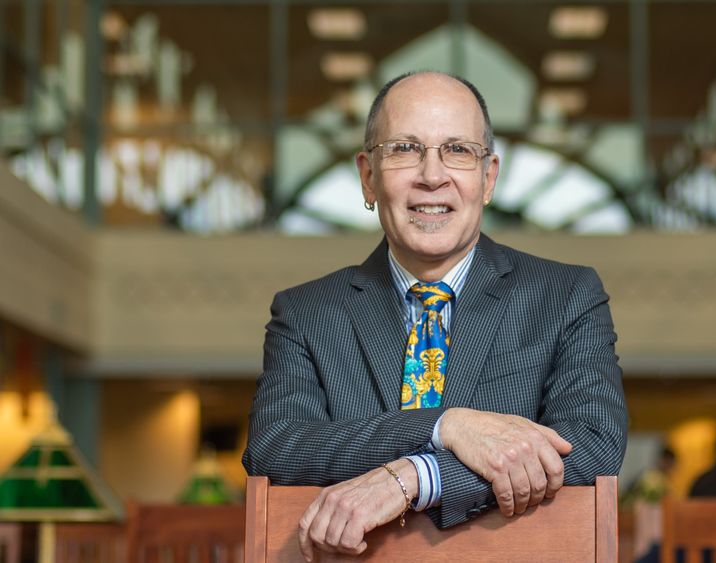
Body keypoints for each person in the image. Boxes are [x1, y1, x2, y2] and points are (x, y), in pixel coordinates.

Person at [242, 71, 628, 561]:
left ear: (488, 178)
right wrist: (444, 427)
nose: (432, 174)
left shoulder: (567, 297)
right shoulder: (306, 314)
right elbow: (276, 447)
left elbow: (592, 446)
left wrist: (416, 477)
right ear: (368, 176)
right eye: (405, 148)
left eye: (458, 150)